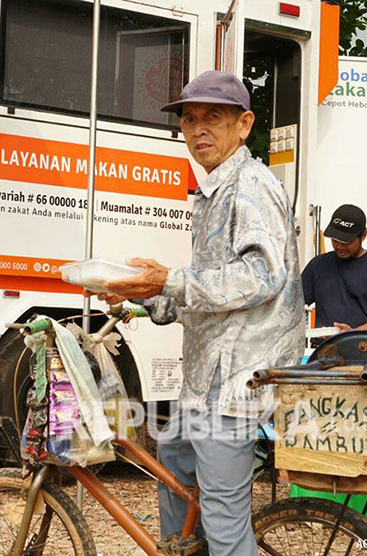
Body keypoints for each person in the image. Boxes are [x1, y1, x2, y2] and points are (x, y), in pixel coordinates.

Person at [93, 71, 304, 556]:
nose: (198, 129)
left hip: (239, 384)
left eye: (213, 118)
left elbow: (259, 278)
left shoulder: (250, 186)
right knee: (174, 467)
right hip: (205, 381)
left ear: (244, 124)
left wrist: (166, 279)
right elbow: (207, 294)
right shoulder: (213, 191)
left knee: (226, 523)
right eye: (189, 120)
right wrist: (138, 293)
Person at [302, 204, 367, 333]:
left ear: (363, 235)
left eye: (346, 241)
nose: (339, 246)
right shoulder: (317, 265)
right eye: (335, 240)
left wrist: (353, 334)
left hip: (365, 347)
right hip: (325, 348)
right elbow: (294, 303)